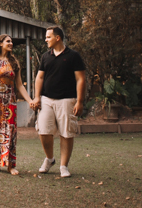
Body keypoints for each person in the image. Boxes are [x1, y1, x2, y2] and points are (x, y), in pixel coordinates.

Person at [30, 26, 87, 178]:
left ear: (58, 38)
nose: (46, 40)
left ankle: (64, 166)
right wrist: (36, 97)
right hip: (46, 99)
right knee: (43, 130)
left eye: (48, 37)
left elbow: (80, 79)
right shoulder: (45, 57)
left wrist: (79, 101)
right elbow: (40, 77)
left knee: (66, 133)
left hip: (67, 99)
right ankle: (50, 159)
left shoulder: (73, 56)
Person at [0, 34, 32, 175]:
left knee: (10, 131)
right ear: (0, 43)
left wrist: (30, 100)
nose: (11, 43)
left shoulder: (14, 62)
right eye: (8, 41)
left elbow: (19, 85)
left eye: (11, 41)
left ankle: (11, 165)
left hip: (10, 100)